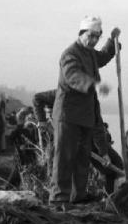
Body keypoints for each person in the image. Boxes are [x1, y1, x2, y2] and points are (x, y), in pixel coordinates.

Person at [49, 16, 120, 205]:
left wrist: (112, 41)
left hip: (86, 117)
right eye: (91, 35)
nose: (94, 40)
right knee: (64, 158)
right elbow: (73, 76)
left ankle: (78, 196)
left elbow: (103, 56)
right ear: (81, 33)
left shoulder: (90, 53)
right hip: (68, 115)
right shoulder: (70, 54)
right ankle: (59, 199)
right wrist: (93, 85)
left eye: (98, 36)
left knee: (82, 160)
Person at [6, 111, 39, 189]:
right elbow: (10, 139)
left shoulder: (36, 130)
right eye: (29, 119)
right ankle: (8, 187)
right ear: (26, 119)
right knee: (16, 171)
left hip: (31, 154)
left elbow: (36, 141)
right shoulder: (20, 128)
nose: (31, 121)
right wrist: (19, 146)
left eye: (33, 119)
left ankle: (24, 187)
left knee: (29, 171)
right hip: (20, 154)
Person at [91, 122, 124, 194]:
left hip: (112, 164)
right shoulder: (98, 136)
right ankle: (108, 195)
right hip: (108, 164)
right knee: (108, 180)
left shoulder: (101, 137)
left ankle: (109, 195)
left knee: (110, 180)